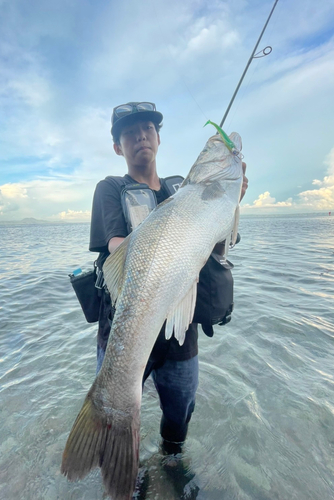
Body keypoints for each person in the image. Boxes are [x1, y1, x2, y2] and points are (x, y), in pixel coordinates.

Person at [89, 102, 248, 458]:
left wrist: (231, 204)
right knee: (114, 410)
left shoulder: (185, 190)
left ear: (159, 137)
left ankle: (172, 464)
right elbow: (117, 248)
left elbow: (220, 245)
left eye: (147, 128)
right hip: (130, 322)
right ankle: (118, 473)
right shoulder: (110, 188)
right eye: (129, 132)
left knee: (179, 418)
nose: (140, 136)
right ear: (118, 147)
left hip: (181, 333)